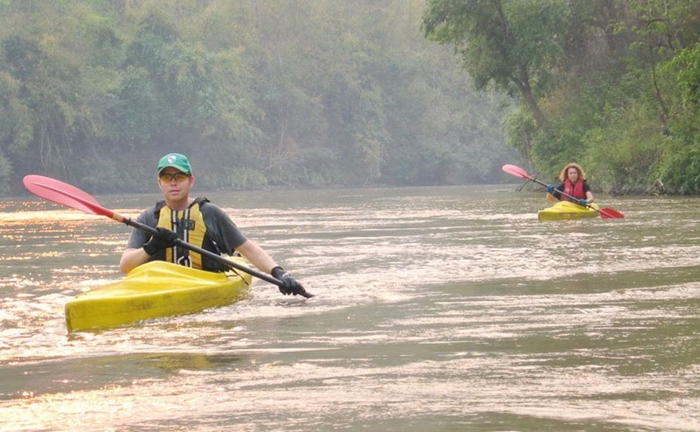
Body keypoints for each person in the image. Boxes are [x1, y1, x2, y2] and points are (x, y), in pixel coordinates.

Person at [119, 153, 306, 296]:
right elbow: (126, 266)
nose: (173, 183)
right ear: (159, 183)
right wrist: (151, 247)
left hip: (204, 283)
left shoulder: (209, 213)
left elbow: (248, 249)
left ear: (191, 180)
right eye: (167, 178)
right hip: (161, 287)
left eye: (179, 177)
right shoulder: (149, 218)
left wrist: (280, 274)